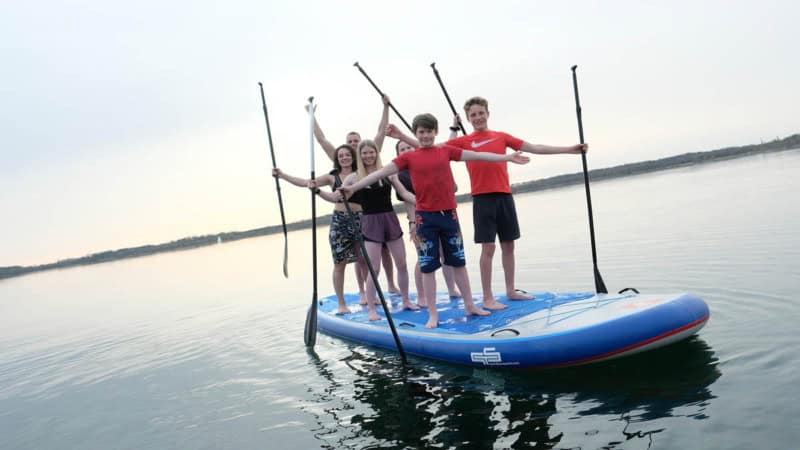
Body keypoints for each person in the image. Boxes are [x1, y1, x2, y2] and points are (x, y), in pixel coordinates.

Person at [393, 97, 588, 310]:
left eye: (480, 113)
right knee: (489, 247)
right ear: (467, 118)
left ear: (487, 113)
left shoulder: (501, 136)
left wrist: (570, 149)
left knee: (509, 245)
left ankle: (511, 290)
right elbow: (428, 148)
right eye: (473, 115)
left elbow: (535, 147)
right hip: (482, 198)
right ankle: (487, 297)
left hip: (504, 195)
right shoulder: (463, 141)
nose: (477, 118)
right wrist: (402, 135)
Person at [342, 113, 531, 329]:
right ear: (416, 133)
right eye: (421, 132)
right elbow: (379, 173)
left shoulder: (445, 151)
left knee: (458, 262)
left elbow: (479, 155)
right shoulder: (408, 158)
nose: (425, 136)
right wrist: (353, 187)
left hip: (449, 216)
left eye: (429, 131)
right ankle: (433, 313)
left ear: (435, 132)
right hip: (425, 219)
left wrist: (506, 158)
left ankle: (470, 304)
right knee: (428, 267)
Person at [308, 95, 402, 296]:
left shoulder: (368, 155)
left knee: (382, 252)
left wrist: (385, 107)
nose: (352, 145)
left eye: (356, 141)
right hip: (347, 217)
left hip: (371, 214)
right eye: (349, 142)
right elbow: (322, 140)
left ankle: (391, 284)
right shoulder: (341, 158)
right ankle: (362, 292)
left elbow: (380, 134)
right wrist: (311, 116)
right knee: (360, 259)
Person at [272, 144, 366, 314]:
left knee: (364, 260)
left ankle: (366, 295)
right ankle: (341, 304)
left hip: (361, 219)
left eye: (347, 155)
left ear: (353, 156)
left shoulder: (361, 174)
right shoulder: (332, 177)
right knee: (340, 264)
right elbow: (305, 182)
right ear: (337, 160)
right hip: (340, 222)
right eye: (341, 156)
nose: (344, 158)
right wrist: (282, 175)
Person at [338, 140, 419, 321]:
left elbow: (404, 193)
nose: (368, 156)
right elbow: (337, 196)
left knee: (402, 263)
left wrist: (421, 203)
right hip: (370, 222)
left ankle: (406, 300)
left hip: (389, 219)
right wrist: (322, 192)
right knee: (374, 268)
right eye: (364, 153)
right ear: (360, 155)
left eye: (371, 152)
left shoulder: (388, 172)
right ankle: (372, 309)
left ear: (376, 153)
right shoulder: (353, 177)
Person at [394, 140, 460, 305]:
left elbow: (452, 187)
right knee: (423, 258)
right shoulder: (400, 176)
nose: (406, 150)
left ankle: (452, 288)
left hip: (440, 216)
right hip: (418, 219)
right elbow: (409, 200)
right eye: (402, 149)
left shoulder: (425, 167)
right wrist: (413, 223)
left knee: (446, 254)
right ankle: (422, 295)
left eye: (408, 147)